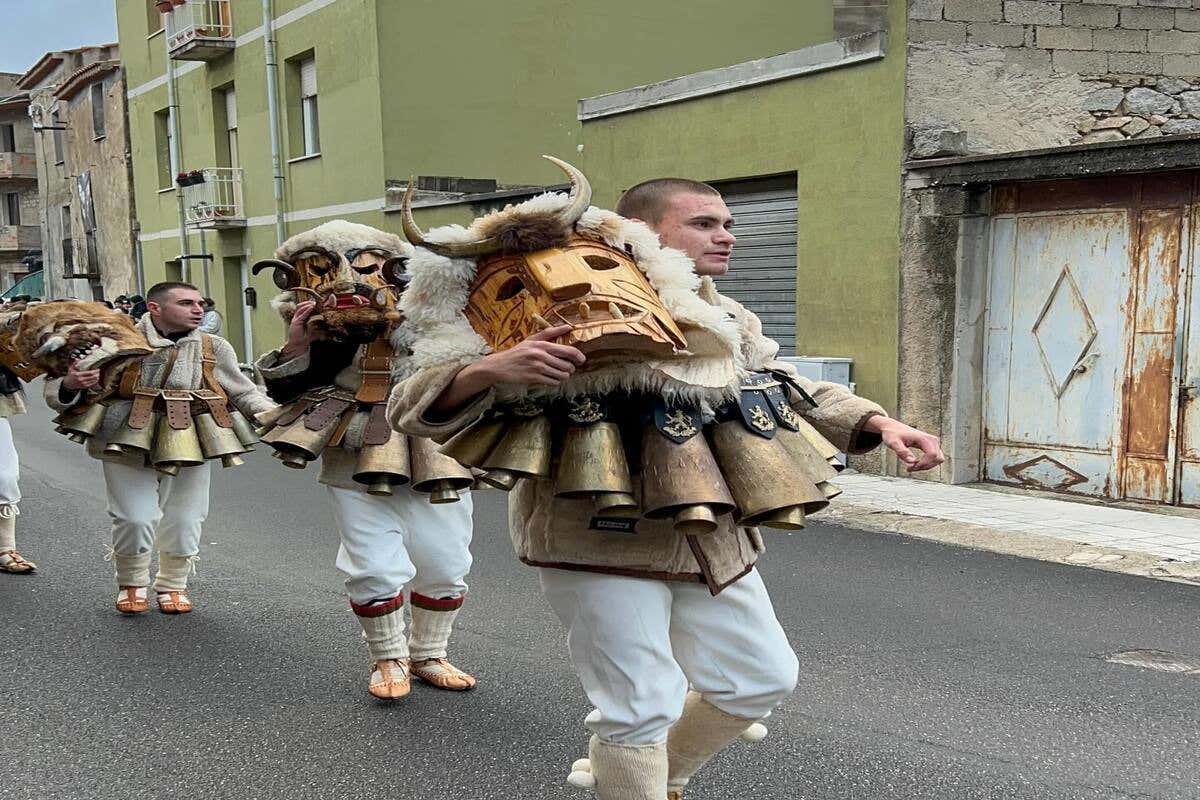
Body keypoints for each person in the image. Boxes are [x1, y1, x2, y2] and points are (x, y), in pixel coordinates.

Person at [389, 162, 944, 799]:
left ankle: (657, 778)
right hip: (592, 534)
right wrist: (492, 368)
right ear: (640, 232)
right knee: (638, 706)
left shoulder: (724, 314)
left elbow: (784, 384)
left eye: (729, 224)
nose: (727, 236)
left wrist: (879, 422)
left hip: (708, 530)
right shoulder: (539, 295)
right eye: (704, 223)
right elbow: (412, 406)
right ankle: (635, 781)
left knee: (759, 678)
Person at [253, 221, 477, 701]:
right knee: (373, 564)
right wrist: (297, 345)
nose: (355, 279)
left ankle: (430, 654)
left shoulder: (437, 311)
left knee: (446, 558)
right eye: (329, 267)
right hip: (355, 439)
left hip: (435, 441)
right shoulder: (319, 325)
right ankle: (388, 658)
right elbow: (287, 385)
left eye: (369, 264)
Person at [45, 282, 276, 614]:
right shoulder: (112, 341)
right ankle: (131, 583)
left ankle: (173, 585)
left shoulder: (215, 346)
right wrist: (70, 385)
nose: (199, 309)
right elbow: (61, 387)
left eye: (201, 303)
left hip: (192, 434)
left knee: (187, 517)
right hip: (123, 435)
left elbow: (243, 391)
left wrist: (275, 418)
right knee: (134, 518)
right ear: (154, 308)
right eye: (186, 303)